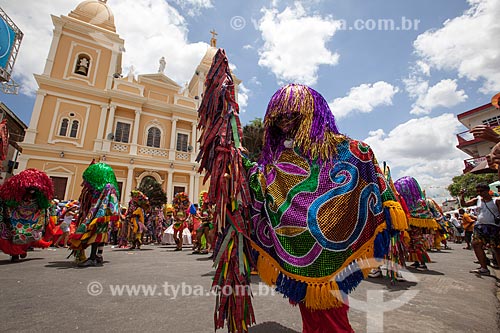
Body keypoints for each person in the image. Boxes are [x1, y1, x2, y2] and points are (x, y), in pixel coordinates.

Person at [69, 162, 120, 267]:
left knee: (97, 236)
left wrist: (110, 214)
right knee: (98, 236)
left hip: (101, 215)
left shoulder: (108, 187)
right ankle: (98, 256)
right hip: (94, 214)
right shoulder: (98, 188)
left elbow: (112, 202)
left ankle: (93, 257)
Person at [0, 169, 53, 262]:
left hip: (31, 219)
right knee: (15, 234)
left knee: (28, 234)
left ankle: (22, 250)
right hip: (15, 218)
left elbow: (43, 205)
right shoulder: (16, 198)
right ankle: (15, 253)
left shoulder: (37, 200)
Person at [460, 183, 500, 275]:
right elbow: (464, 204)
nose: (479, 193)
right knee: (476, 244)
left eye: (481, 191)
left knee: (496, 249)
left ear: (487, 191)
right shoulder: (477, 200)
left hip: (493, 227)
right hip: (480, 226)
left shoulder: (496, 201)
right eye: (477, 191)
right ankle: (484, 268)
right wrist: (462, 195)